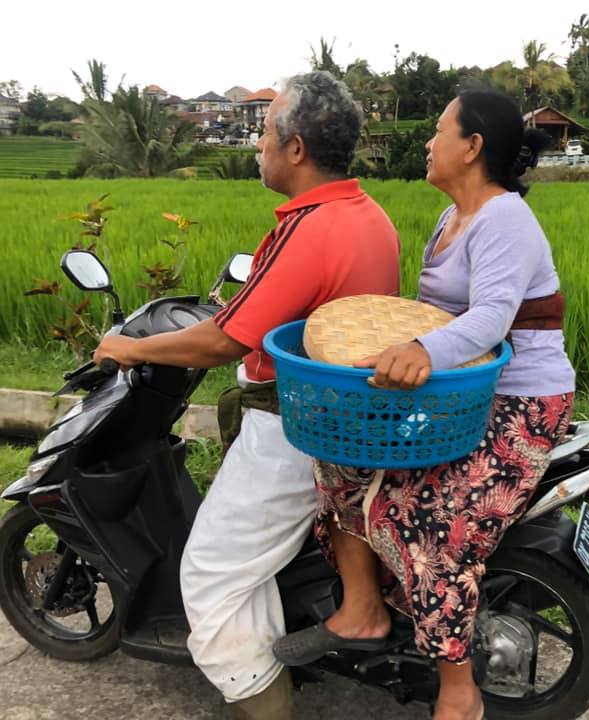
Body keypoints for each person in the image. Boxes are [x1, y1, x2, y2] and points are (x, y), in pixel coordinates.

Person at [93, 71, 401, 720]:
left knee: (208, 577)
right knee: (243, 568)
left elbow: (224, 344)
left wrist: (133, 348)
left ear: (296, 150)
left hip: (291, 428)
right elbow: (289, 308)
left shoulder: (314, 227)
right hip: (337, 417)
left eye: (264, 133)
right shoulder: (364, 214)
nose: (257, 145)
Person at [273, 89, 576, 720]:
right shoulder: (451, 221)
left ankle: (459, 693)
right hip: (460, 396)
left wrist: (421, 351)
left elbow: (491, 318)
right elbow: (432, 314)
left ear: (472, 148)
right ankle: (362, 611)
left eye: (440, 131)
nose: (429, 142)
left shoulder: (504, 219)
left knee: (432, 529)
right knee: (339, 466)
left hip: (520, 403)